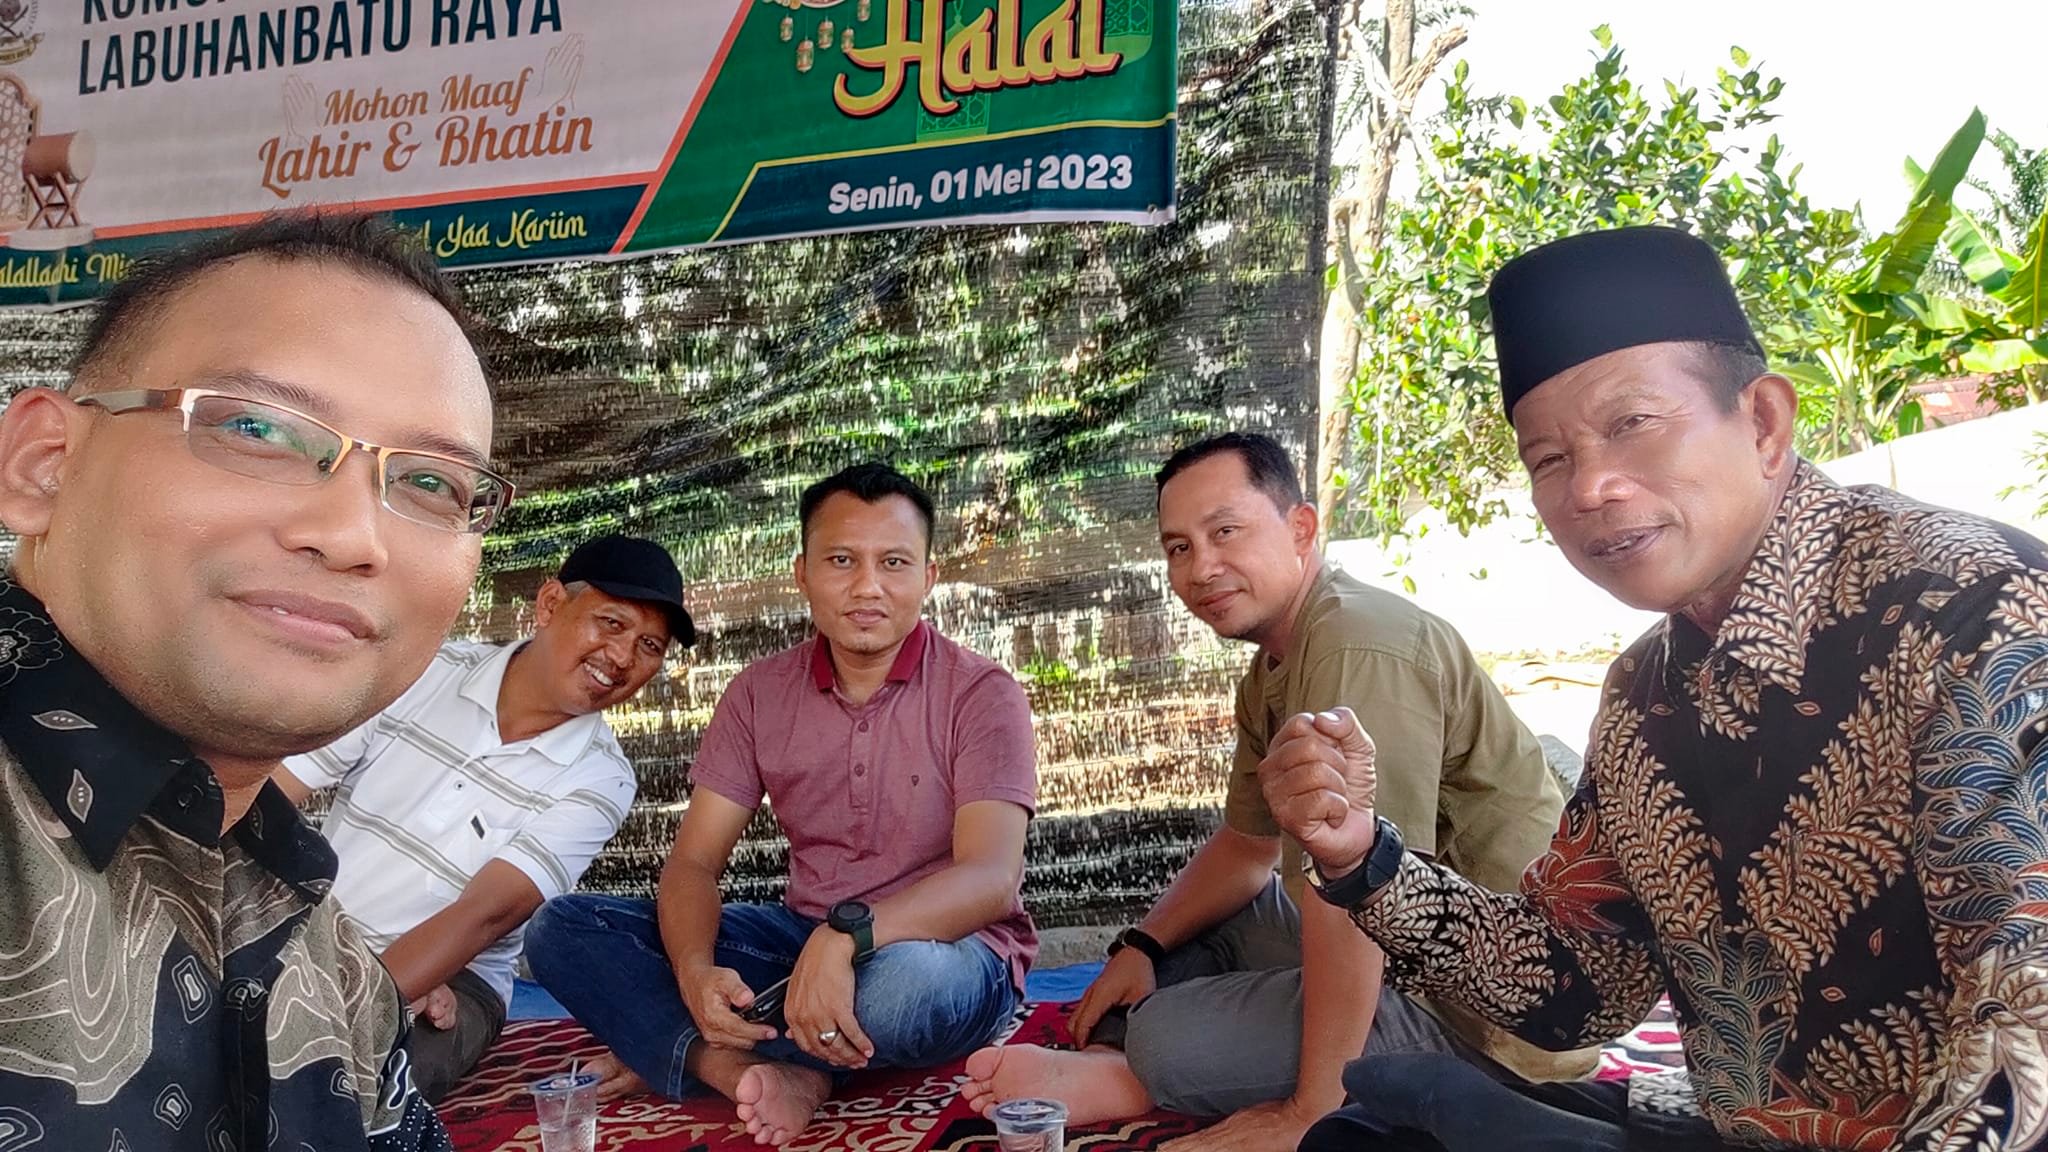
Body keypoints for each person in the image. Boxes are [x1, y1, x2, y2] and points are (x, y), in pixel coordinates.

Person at [1265, 225, 2048, 1152]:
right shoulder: (1647, 691)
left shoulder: (1975, 614)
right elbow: (1578, 985)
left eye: (1632, 424)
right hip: (1739, 1128)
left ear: (1764, 422)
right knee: (1366, 1135)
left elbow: (2026, 1057)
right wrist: (1361, 855)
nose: (1590, 487)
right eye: (1549, 459)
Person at [0, 214, 509, 1150]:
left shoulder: (326, 959)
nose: (352, 536)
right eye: (256, 428)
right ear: (45, 466)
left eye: (432, 484)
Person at [961, 432, 1593, 1152]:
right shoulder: (1277, 660)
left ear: (1301, 527)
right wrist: (1140, 943)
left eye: (1225, 532)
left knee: (1167, 1038)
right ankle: (1121, 1063)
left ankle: (1127, 1076)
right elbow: (1246, 847)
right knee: (1194, 926)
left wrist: (1310, 1112)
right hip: (1407, 949)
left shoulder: (1357, 644)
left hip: (1494, 1016)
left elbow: (1364, 892)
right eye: (1178, 548)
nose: (1201, 567)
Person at [524, 461, 1037, 1148]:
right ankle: (736, 1064)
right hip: (801, 941)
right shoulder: (759, 694)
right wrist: (695, 973)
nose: (867, 586)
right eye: (841, 560)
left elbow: (991, 879)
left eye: (893, 563)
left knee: (903, 988)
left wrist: (846, 938)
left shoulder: (982, 693)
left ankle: (697, 1053)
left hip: (947, 953)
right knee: (562, 928)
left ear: (928, 577)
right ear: (802, 574)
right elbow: (694, 864)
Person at [276, 533, 694, 1102]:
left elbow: (486, 914)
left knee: (334, 1087)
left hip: (457, 976)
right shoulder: (423, 670)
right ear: (550, 605)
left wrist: (372, 998)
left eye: (649, 645)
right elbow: (276, 792)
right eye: (611, 624)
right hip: (312, 931)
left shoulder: (601, 778)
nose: (622, 658)